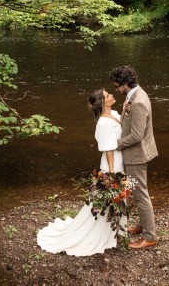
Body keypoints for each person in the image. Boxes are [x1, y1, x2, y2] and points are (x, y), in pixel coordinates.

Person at [36, 89, 126, 256]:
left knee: (118, 196)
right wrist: (112, 173)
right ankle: (101, 233)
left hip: (121, 159)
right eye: (108, 96)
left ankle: (115, 230)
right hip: (112, 164)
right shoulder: (103, 123)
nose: (112, 95)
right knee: (106, 198)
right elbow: (108, 149)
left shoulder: (113, 113)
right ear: (102, 103)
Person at [109, 66, 158, 249]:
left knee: (141, 196)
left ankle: (150, 236)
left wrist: (114, 145)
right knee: (136, 194)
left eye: (117, 86)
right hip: (134, 153)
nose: (116, 89)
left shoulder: (138, 102)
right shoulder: (134, 96)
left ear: (126, 83)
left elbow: (137, 136)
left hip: (136, 155)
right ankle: (142, 225)